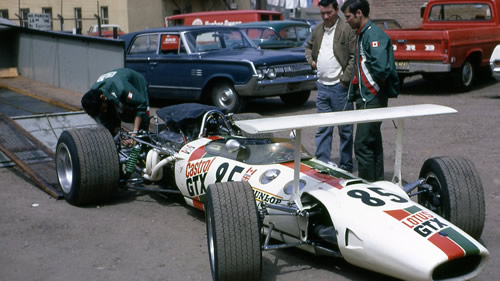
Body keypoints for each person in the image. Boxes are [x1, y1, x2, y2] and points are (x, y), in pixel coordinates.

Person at [341, 0, 400, 181]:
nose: (347, 21)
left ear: (359, 13)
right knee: (373, 143)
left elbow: (381, 68)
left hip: (372, 96)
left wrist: (376, 89)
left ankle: (367, 186)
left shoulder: (373, 34)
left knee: (362, 144)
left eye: (348, 16)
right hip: (365, 96)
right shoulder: (362, 34)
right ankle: (377, 182)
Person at [305, 0, 356, 172]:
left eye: (329, 13)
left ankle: (346, 166)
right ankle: (322, 163)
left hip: (340, 88)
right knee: (324, 129)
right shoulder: (318, 30)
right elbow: (308, 47)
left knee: (345, 130)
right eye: (322, 13)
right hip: (322, 87)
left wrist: (345, 80)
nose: (326, 17)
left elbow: (353, 57)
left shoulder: (346, 29)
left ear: (337, 11)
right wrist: (312, 62)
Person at [81, 68, 151, 144]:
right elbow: (105, 120)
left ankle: (145, 142)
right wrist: (118, 133)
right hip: (112, 88)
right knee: (109, 118)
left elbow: (141, 103)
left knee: (142, 117)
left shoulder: (121, 88)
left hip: (136, 83)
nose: (104, 110)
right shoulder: (93, 97)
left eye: (103, 108)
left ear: (103, 97)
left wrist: (135, 133)